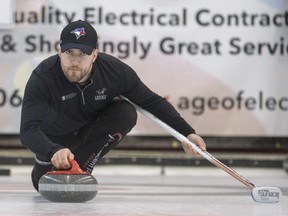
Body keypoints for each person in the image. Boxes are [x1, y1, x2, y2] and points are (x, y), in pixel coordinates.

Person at [20, 20, 207, 191]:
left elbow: (152, 101)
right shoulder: (43, 77)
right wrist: (52, 150)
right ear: (59, 51)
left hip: (89, 135)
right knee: (42, 185)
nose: (75, 61)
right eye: (70, 53)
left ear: (94, 54)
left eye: (83, 54)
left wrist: (187, 133)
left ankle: (81, 169)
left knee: (125, 112)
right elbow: (28, 130)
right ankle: (48, 164)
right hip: (55, 142)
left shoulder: (114, 72)